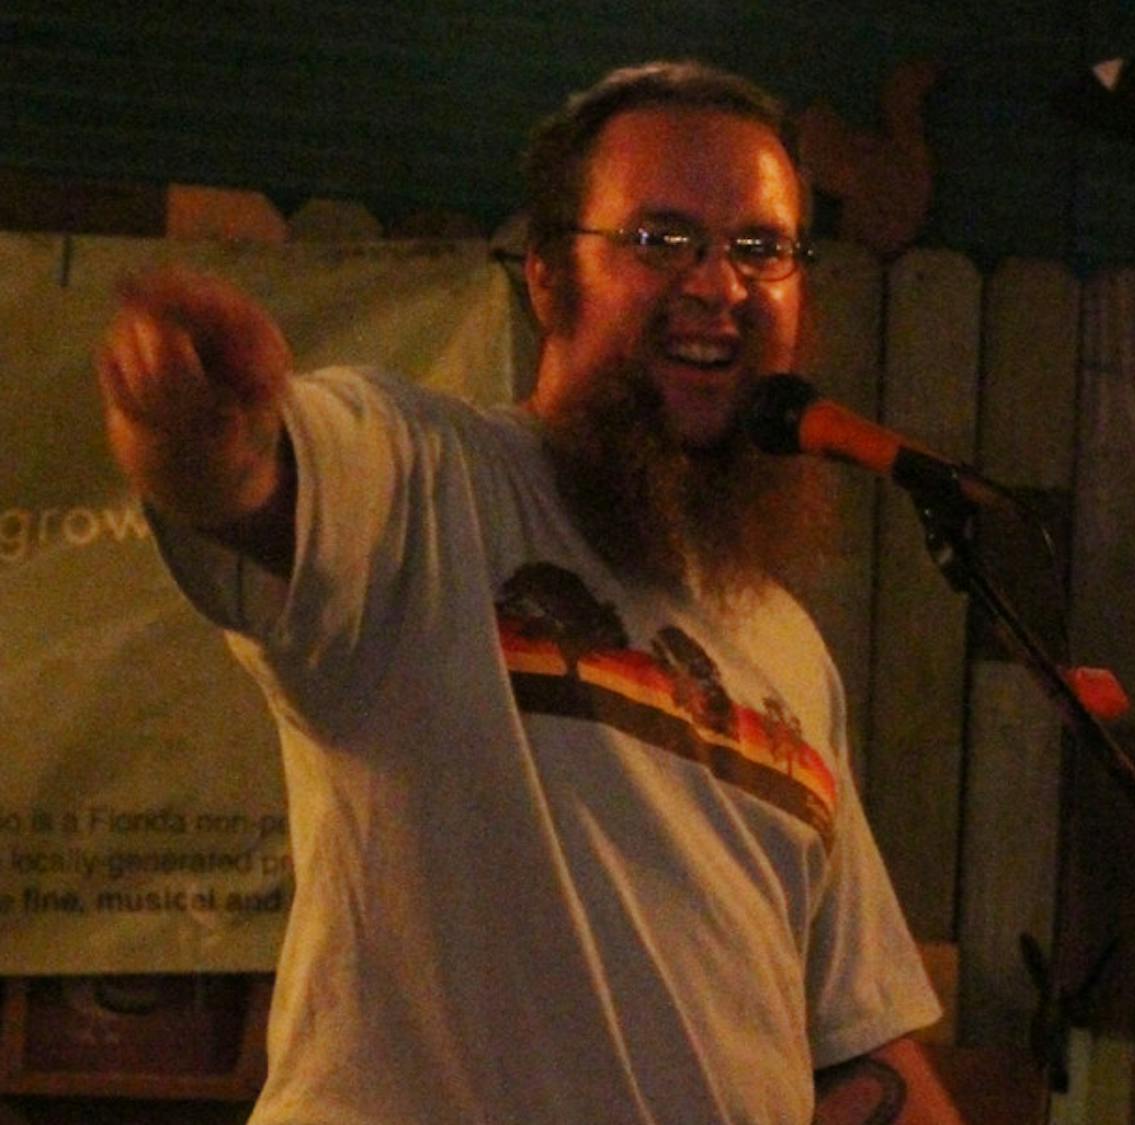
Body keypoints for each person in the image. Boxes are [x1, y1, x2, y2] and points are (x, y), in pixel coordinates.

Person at [97, 60, 961, 1123]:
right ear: (547, 275)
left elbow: (857, 1050)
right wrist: (194, 434)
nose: (717, 284)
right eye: (659, 240)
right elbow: (251, 484)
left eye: (760, 249)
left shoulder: (787, 652)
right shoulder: (428, 486)